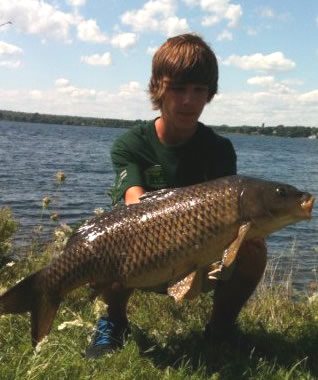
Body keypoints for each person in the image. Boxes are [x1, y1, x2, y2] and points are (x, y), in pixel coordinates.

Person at [85, 33, 267, 359]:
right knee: (115, 238)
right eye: (178, 88)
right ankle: (114, 322)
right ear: (158, 88)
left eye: (199, 90)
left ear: (209, 94)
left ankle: (220, 329)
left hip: (201, 257)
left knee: (255, 249)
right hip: (142, 257)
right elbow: (133, 199)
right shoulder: (132, 144)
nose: (188, 100)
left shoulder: (219, 149)